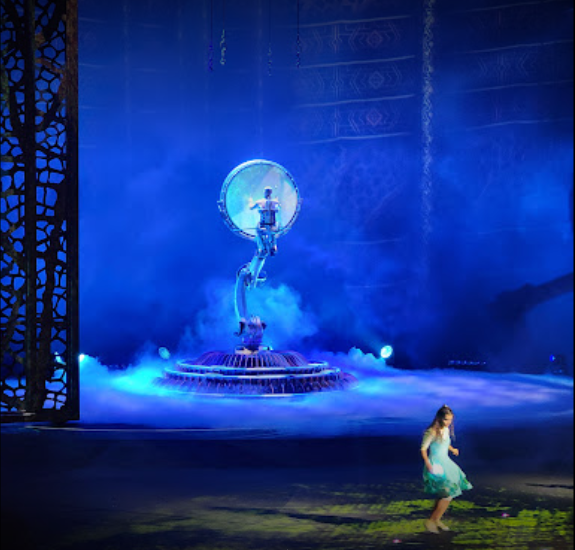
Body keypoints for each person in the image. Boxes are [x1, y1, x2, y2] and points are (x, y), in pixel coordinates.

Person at [420, 405, 472, 533]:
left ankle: (436, 520)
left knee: (445, 494)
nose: (448, 422)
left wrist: (452, 449)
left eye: (450, 420)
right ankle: (431, 521)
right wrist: (428, 464)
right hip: (437, 464)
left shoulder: (446, 430)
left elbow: (445, 443)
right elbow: (423, 449)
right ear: (439, 418)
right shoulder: (431, 432)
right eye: (446, 419)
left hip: (446, 462)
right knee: (447, 493)